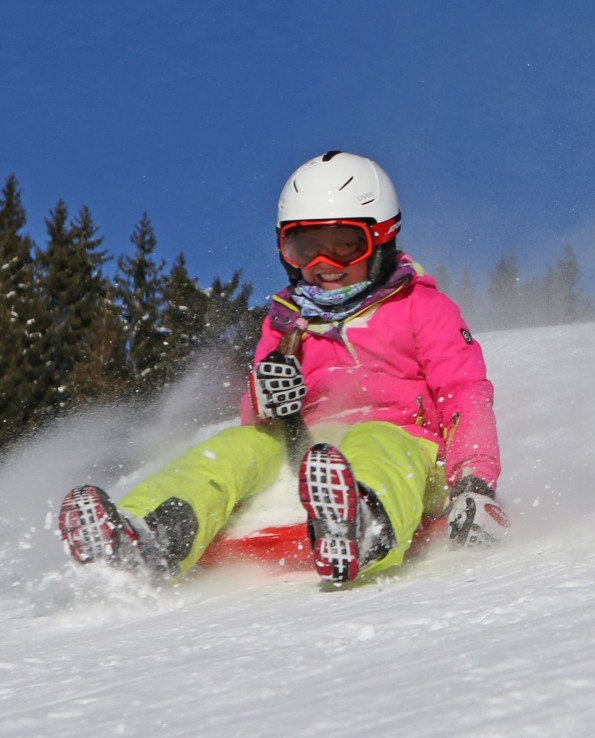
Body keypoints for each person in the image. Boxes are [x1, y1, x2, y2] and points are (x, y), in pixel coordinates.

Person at [58, 151, 507, 583]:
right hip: (311, 457)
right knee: (235, 447)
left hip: (413, 458)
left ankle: (363, 527)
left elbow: (465, 392)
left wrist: (474, 482)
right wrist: (266, 399)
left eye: (344, 246)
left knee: (378, 438)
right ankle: (147, 535)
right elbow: (258, 420)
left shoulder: (422, 308)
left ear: (383, 238)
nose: (323, 265)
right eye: (304, 248)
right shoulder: (286, 322)